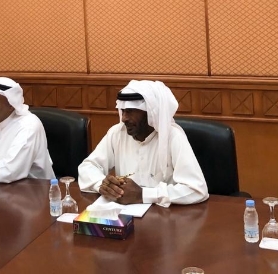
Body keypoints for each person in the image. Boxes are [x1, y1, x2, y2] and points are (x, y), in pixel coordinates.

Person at [78, 80, 208, 207]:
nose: (124, 118)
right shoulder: (117, 133)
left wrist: (143, 195)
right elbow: (88, 167)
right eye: (123, 111)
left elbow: (197, 190)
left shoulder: (173, 137)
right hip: (123, 214)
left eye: (130, 111)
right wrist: (103, 185)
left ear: (151, 113)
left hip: (163, 216)